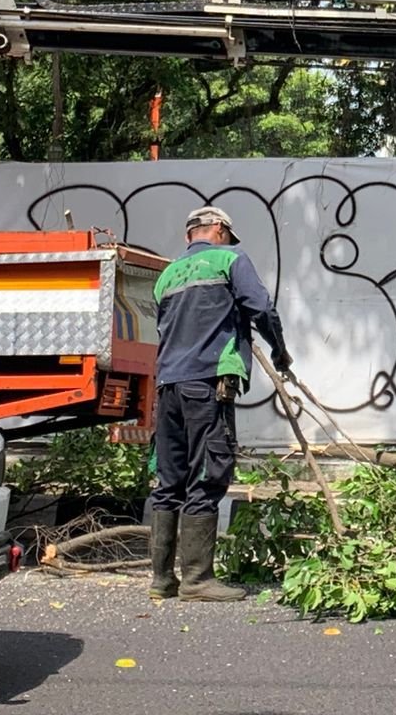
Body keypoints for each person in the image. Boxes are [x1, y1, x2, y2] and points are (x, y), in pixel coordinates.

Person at [148, 205, 290, 602]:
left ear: (189, 234)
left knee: (169, 480)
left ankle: (161, 581)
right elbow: (260, 307)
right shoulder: (231, 259)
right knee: (208, 472)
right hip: (209, 382)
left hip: (169, 386)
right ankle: (197, 580)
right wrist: (280, 350)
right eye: (227, 232)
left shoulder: (167, 275)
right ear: (219, 229)